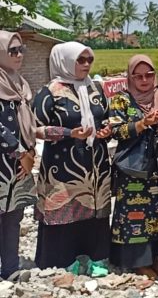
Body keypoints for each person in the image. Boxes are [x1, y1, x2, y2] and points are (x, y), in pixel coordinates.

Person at [33, 42, 112, 270]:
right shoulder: (50, 92)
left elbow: (104, 118)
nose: (86, 64)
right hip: (63, 167)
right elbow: (35, 128)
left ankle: (94, 258)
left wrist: (106, 130)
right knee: (64, 213)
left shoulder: (96, 88)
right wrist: (69, 133)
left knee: (95, 215)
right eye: (80, 60)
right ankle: (63, 262)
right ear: (65, 61)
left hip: (96, 165)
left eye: (89, 60)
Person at [108, 55, 158, 278]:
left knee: (155, 214)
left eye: (149, 75)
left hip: (155, 166)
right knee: (134, 215)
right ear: (130, 77)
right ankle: (135, 262)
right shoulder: (121, 100)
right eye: (138, 76)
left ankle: (154, 258)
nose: (144, 80)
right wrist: (142, 124)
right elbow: (116, 130)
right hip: (131, 167)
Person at [0, 31, 37, 279]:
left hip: (19, 164)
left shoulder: (20, 85)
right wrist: (20, 151)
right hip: (5, 160)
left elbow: (32, 126)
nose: (18, 55)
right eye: (12, 50)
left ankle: (10, 268)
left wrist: (31, 151)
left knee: (13, 215)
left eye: (21, 49)